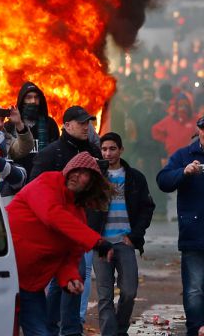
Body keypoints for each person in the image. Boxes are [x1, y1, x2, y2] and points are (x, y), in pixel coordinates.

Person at [6, 152, 114, 336]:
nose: (76, 175)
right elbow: (52, 215)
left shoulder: (78, 215)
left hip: (30, 285)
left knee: (40, 332)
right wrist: (96, 241)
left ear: (91, 183)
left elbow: (69, 256)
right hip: (5, 276)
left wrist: (69, 279)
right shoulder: (47, 182)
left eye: (84, 174)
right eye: (75, 170)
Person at [29, 105, 102, 336]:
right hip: (54, 228)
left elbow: (99, 192)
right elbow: (34, 189)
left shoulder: (93, 152)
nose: (86, 127)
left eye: (87, 123)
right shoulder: (51, 153)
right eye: (81, 123)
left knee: (69, 278)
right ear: (67, 125)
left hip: (81, 227)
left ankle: (59, 327)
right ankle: (67, 329)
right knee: (71, 275)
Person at [88, 132, 155, 336]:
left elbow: (147, 207)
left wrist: (135, 235)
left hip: (125, 242)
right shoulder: (94, 178)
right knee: (105, 296)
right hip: (101, 243)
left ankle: (120, 328)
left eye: (112, 149)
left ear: (121, 150)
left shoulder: (135, 177)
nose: (108, 153)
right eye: (104, 149)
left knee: (129, 292)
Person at [156, 116, 204, 336]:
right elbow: (163, 181)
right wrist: (183, 172)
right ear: (199, 132)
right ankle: (195, 330)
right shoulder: (184, 155)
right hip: (193, 233)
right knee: (194, 288)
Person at [5, 82, 59, 174]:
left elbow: (56, 153)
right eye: (29, 97)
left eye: (36, 97)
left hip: (43, 177)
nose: (33, 101)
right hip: (18, 177)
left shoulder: (49, 124)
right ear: (22, 100)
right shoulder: (10, 126)